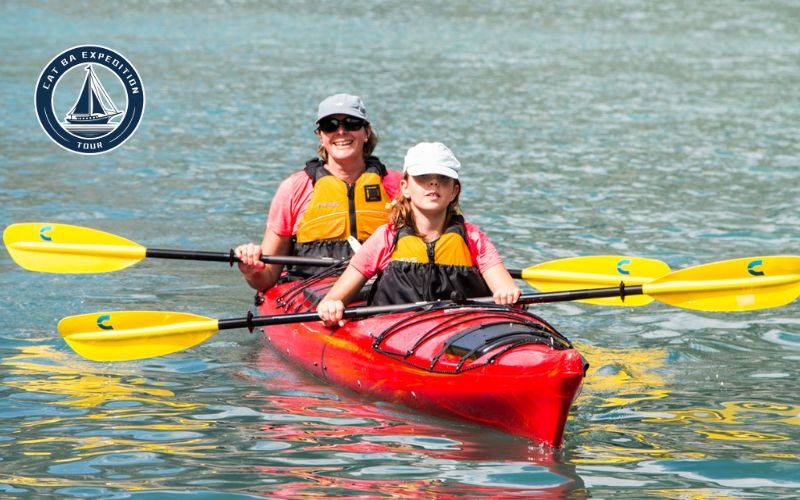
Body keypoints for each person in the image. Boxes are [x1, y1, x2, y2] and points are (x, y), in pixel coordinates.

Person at [317, 142, 521, 326]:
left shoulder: (473, 238)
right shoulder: (386, 238)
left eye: (443, 178)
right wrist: (331, 309)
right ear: (405, 188)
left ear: (454, 191)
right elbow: (333, 299)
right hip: (394, 335)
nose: (434, 183)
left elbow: (504, 287)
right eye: (423, 177)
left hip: (460, 332)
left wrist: (507, 293)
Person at [236, 94, 402, 290]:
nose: (341, 131)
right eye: (330, 125)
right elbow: (267, 279)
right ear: (321, 136)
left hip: (383, 293)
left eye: (351, 123)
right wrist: (252, 270)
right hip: (310, 297)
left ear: (366, 132)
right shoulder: (295, 188)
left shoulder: (400, 186)